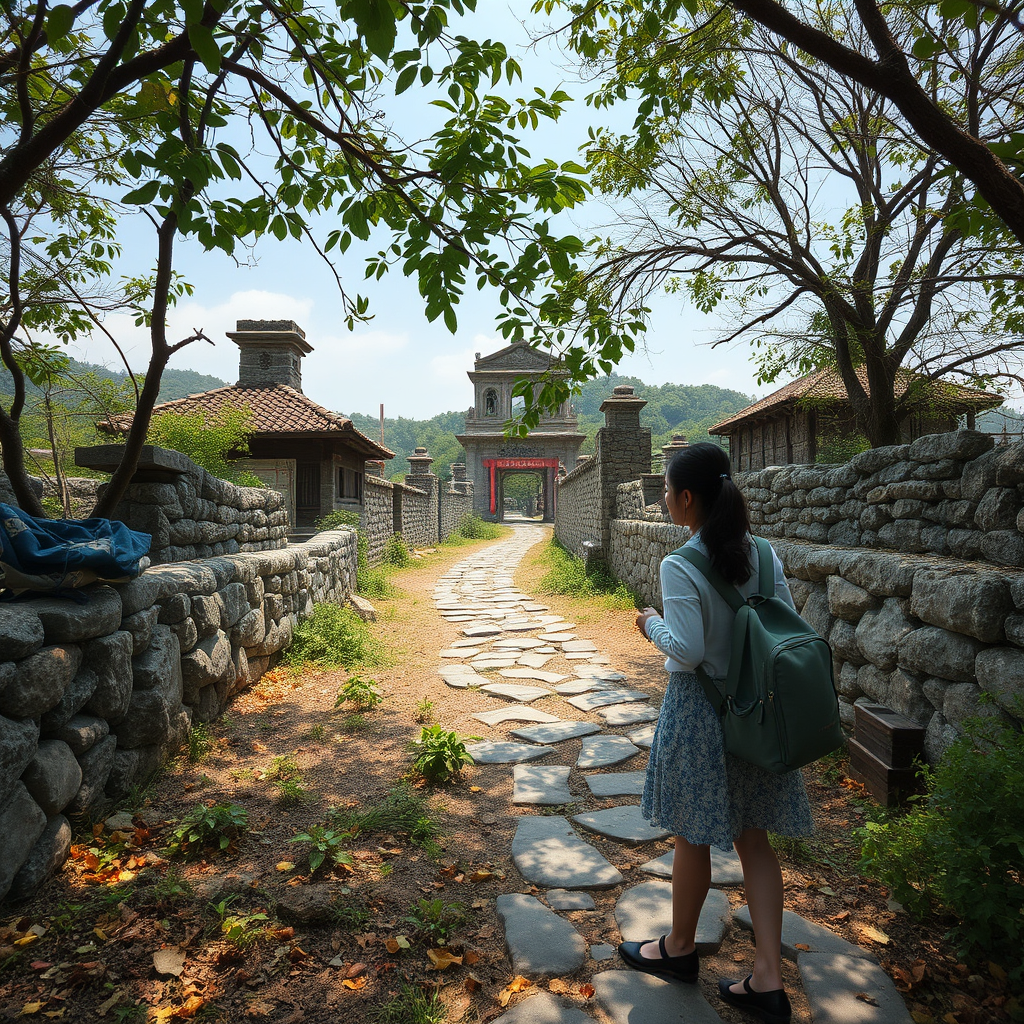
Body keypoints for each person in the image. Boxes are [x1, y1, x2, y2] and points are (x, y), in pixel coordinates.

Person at [617, 442, 813, 1024]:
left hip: (699, 715)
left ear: (686, 498)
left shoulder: (679, 565)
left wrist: (650, 623)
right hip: (757, 712)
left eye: (668, 492)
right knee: (755, 841)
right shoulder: (767, 555)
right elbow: (786, 623)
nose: (664, 501)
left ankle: (679, 949)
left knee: (692, 837)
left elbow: (688, 652)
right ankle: (768, 979)